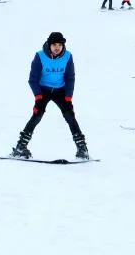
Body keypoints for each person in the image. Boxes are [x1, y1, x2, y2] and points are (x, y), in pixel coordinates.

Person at [11, 32, 89, 160]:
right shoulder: (40, 56)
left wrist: (68, 97)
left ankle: (82, 149)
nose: (57, 47)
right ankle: (20, 147)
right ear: (49, 45)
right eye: (54, 45)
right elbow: (33, 79)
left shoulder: (68, 56)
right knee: (37, 115)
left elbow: (70, 78)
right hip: (43, 91)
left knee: (70, 115)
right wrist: (38, 96)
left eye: (60, 44)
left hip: (61, 90)